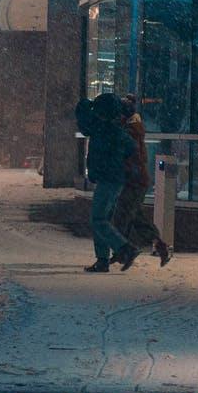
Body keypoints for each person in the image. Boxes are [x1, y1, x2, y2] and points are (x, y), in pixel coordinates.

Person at [110, 94, 172, 267]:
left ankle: (124, 250)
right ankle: (158, 246)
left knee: (122, 216)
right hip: (136, 180)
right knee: (135, 217)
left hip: (134, 181)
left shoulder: (130, 131)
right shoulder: (132, 128)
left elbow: (130, 156)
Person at [74, 93, 131, 271]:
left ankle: (123, 248)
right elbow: (131, 148)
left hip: (107, 179)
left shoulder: (101, 127)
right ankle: (103, 260)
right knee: (103, 220)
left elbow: (84, 122)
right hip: (115, 178)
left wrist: (85, 104)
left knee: (98, 220)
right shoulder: (116, 129)